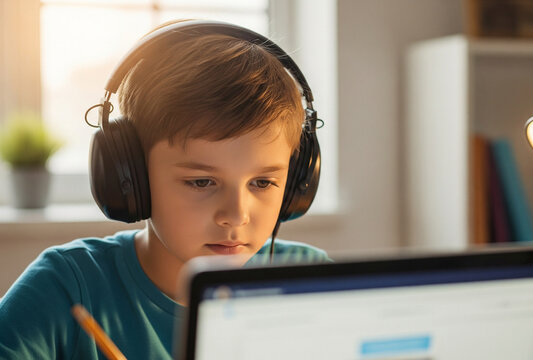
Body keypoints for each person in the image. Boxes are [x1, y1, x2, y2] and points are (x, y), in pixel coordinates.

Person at [0, 20, 330, 359]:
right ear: (133, 178)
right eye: (202, 182)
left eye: (262, 182)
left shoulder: (315, 280)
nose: (236, 215)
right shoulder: (68, 288)